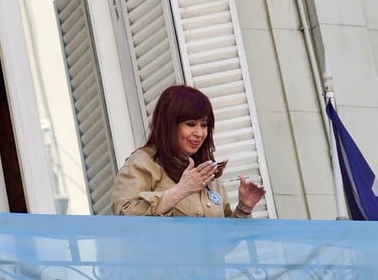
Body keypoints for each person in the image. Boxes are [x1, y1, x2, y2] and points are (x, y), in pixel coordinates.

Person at [111, 85, 265, 217]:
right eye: (190, 124)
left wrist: (244, 209)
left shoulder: (206, 170)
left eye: (204, 125)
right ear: (169, 125)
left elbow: (223, 240)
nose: (199, 133)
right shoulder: (143, 163)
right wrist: (179, 191)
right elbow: (123, 215)